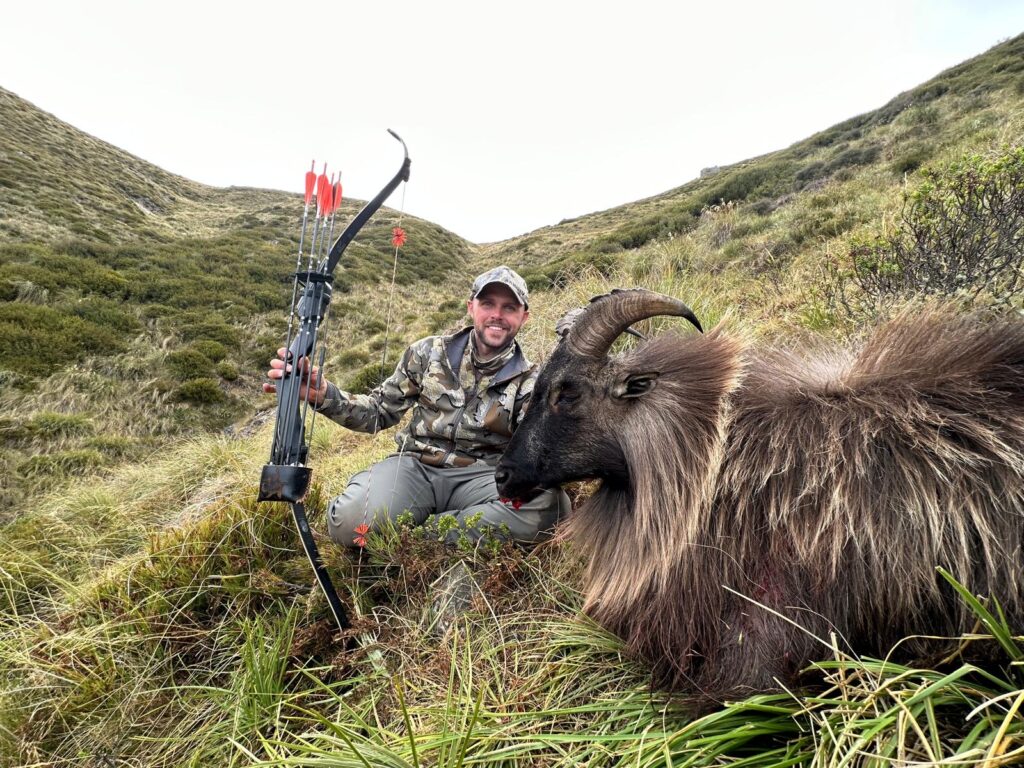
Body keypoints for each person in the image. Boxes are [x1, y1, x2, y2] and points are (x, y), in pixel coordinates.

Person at [264, 265, 570, 547]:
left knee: (551, 506)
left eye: (509, 308)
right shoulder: (427, 352)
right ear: (471, 307)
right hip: (415, 467)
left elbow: (540, 452)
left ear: (524, 317)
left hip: (484, 479)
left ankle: (423, 537)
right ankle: (441, 528)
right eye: (488, 304)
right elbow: (377, 413)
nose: (497, 315)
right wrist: (323, 394)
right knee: (351, 524)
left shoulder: (534, 380)